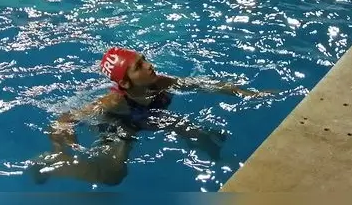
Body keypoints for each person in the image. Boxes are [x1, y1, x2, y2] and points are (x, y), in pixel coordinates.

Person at [29, 47, 263, 186]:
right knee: (113, 176)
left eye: (144, 59)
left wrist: (247, 93)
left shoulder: (159, 82)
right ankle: (50, 164)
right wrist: (61, 146)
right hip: (121, 125)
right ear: (124, 82)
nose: (149, 65)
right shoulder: (114, 101)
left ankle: (221, 163)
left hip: (150, 117)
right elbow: (65, 118)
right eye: (139, 66)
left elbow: (202, 85)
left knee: (202, 134)